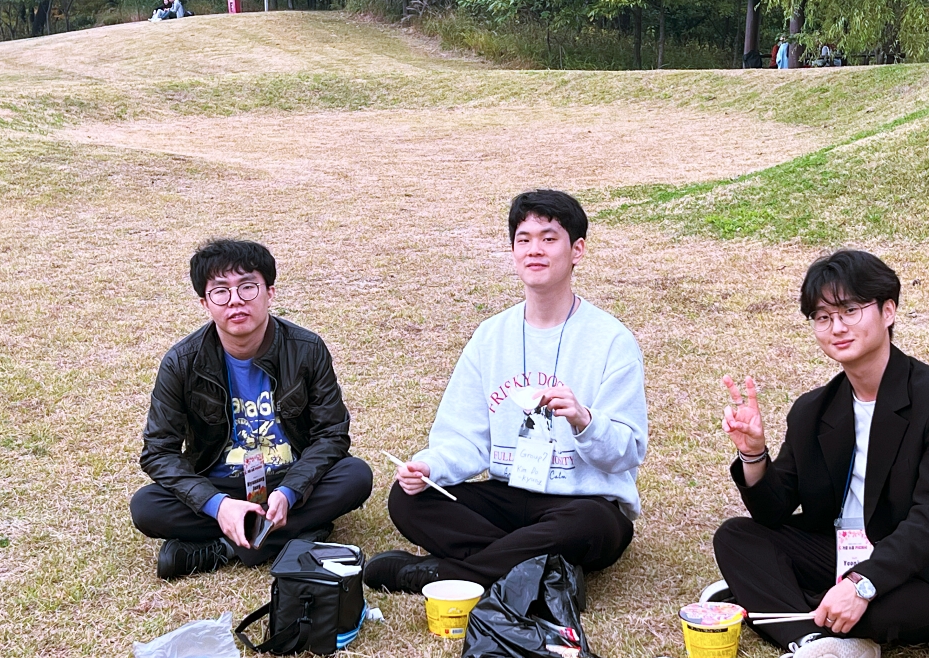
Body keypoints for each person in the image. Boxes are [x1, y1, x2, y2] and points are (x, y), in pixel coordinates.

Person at [710, 249, 929, 658]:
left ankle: (771, 602)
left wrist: (862, 584)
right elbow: (773, 511)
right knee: (735, 537)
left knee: (884, 609)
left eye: (850, 311)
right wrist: (755, 454)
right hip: (841, 553)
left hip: (926, 566)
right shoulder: (813, 409)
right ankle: (812, 640)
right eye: (822, 317)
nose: (836, 327)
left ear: (888, 311)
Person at [363, 190, 648, 595]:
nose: (535, 250)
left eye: (549, 238)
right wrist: (429, 467)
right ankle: (541, 571)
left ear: (577, 250)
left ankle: (444, 574)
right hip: (509, 497)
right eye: (524, 239)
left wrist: (585, 420)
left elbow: (628, 450)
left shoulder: (612, 340)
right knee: (408, 500)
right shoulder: (491, 336)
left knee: (594, 526)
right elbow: (464, 436)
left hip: (581, 502)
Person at [131, 239, 372, 579]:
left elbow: (332, 435)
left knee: (355, 476)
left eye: (247, 287)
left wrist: (290, 492)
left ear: (269, 292)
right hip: (221, 485)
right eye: (220, 291)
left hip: (289, 478)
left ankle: (224, 549)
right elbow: (158, 452)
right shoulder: (181, 362)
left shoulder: (307, 349)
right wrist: (218, 506)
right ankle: (295, 533)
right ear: (205, 303)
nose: (235, 300)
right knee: (146, 506)